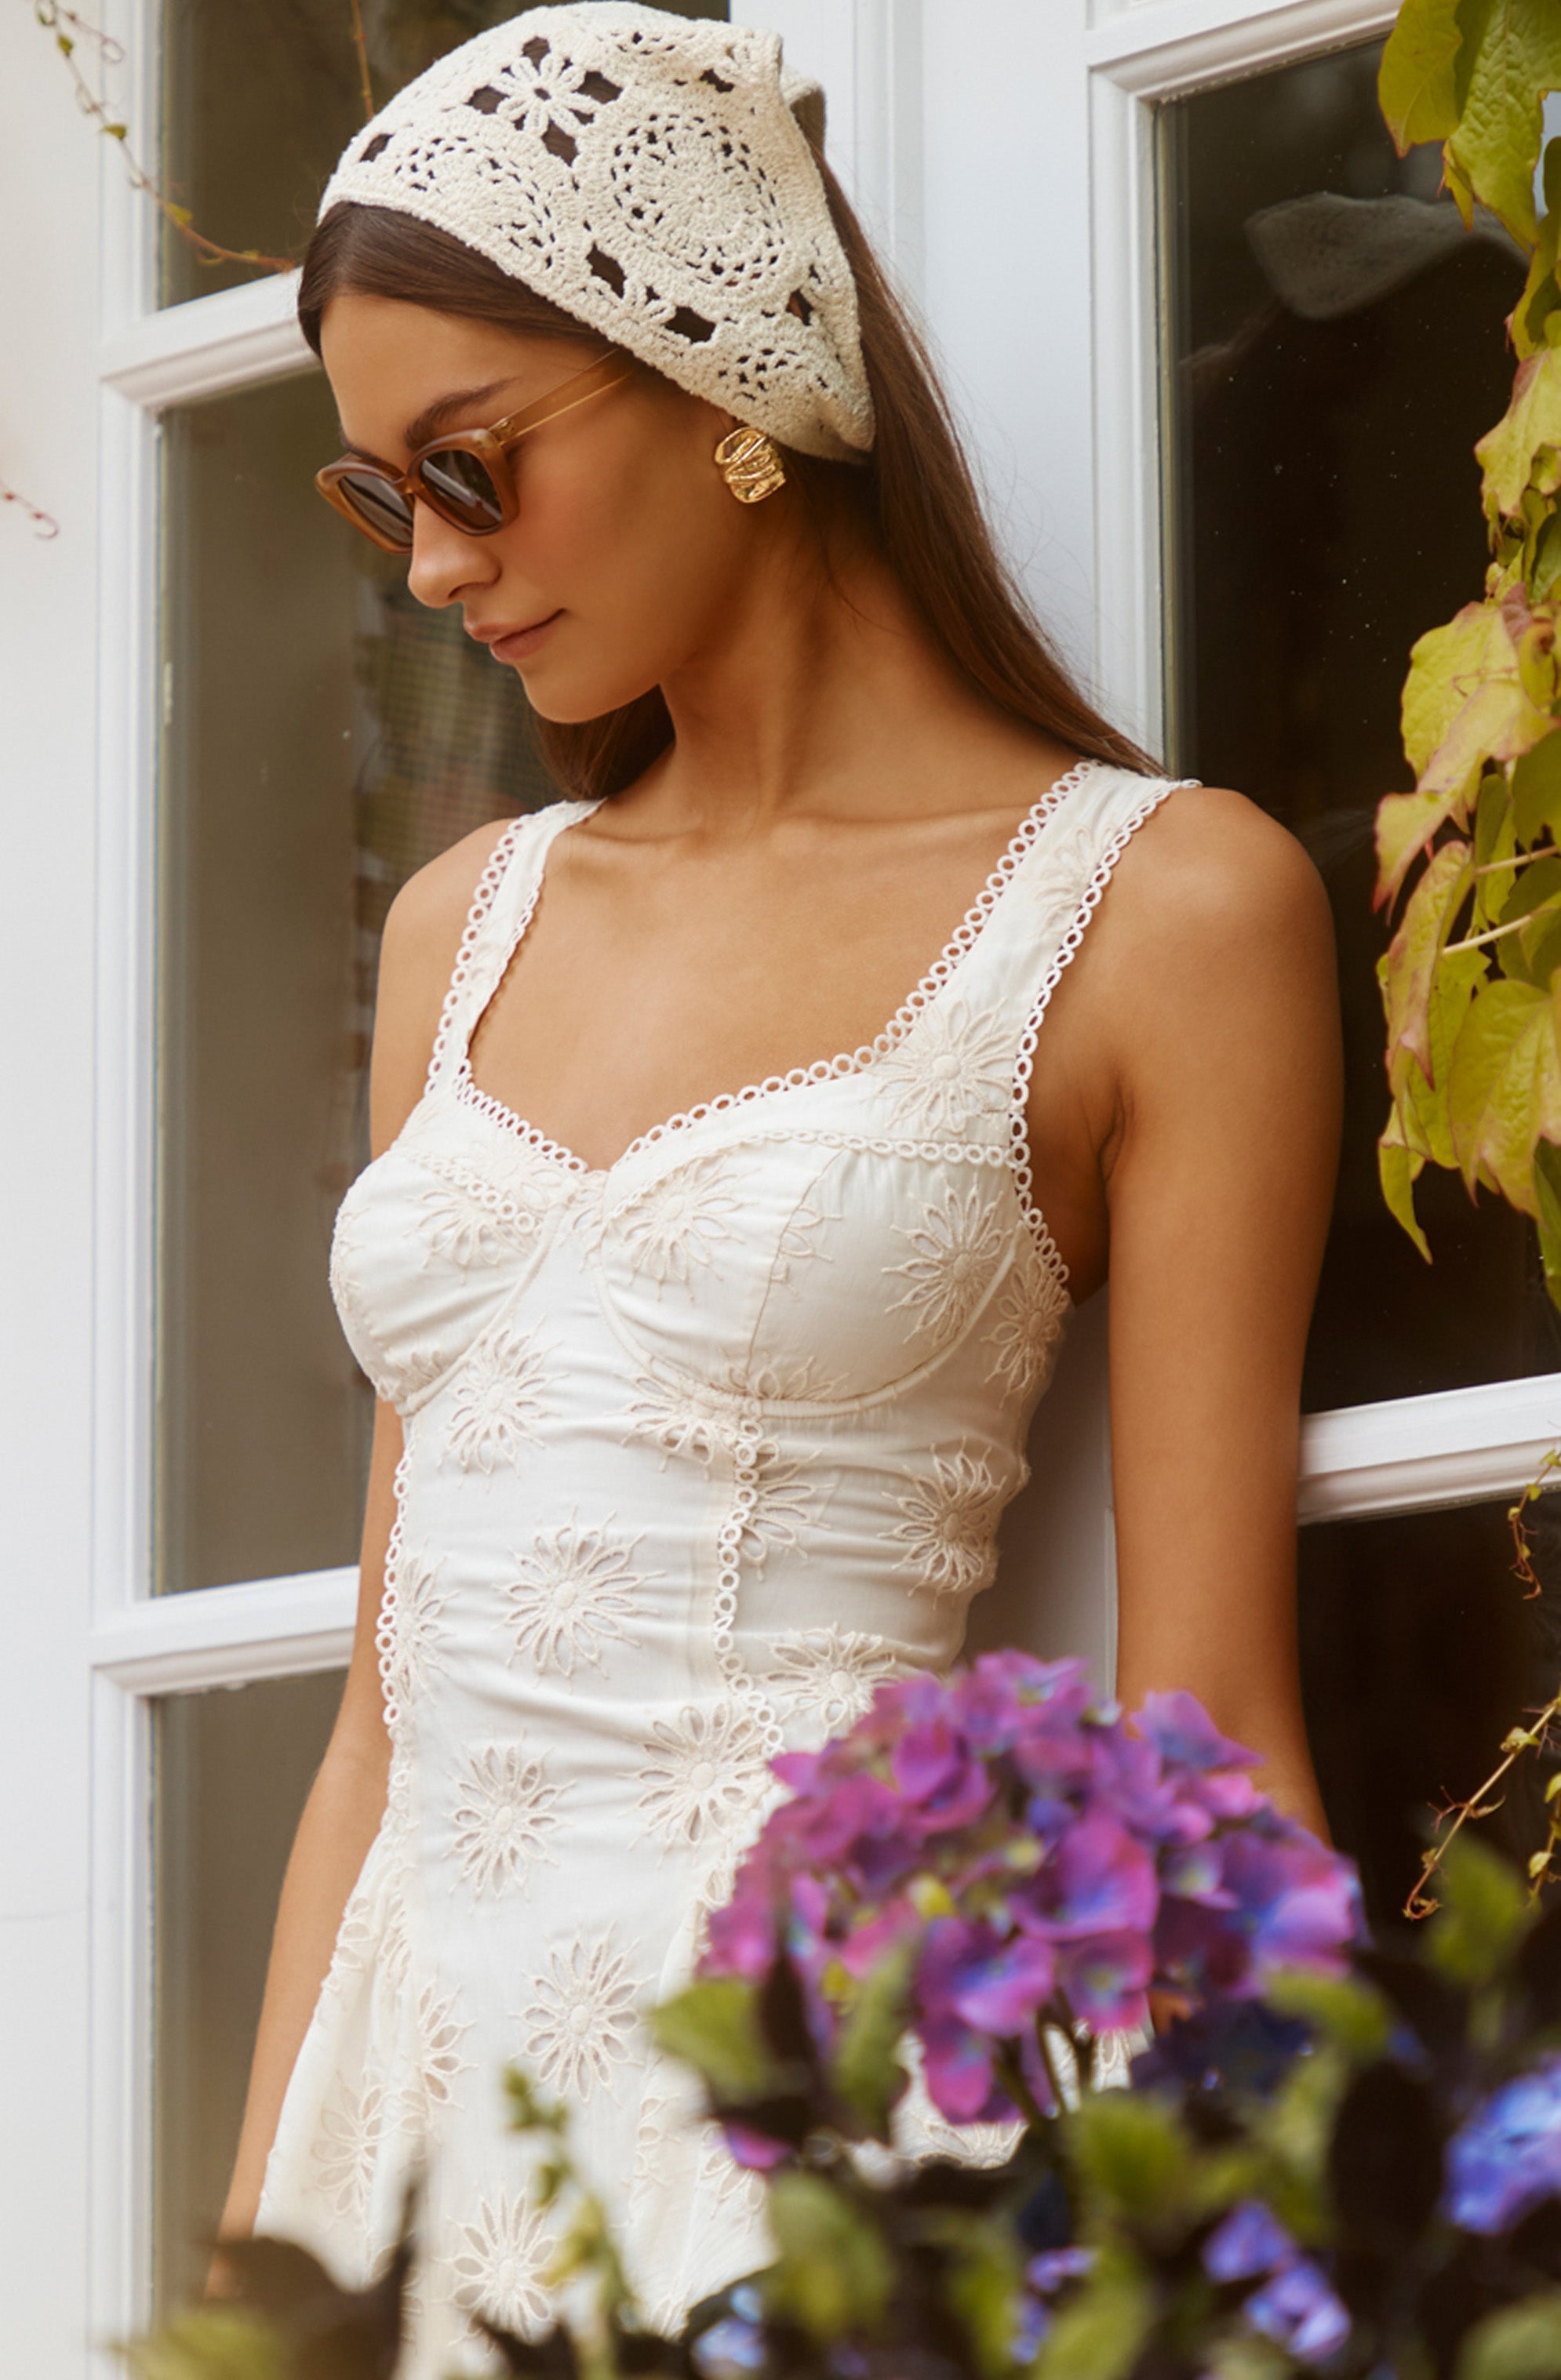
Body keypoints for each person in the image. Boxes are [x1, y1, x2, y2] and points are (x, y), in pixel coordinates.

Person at [216, 6, 1339, 2367]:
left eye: (471, 466)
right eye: (382, 498)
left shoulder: (1163, 910)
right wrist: (243, 2295)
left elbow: (1210, 1726)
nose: (434, 566)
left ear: (719, 364)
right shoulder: (465, 926)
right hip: (404, 2128)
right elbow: (381, 1730)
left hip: (819, 2124)